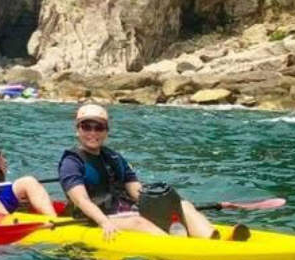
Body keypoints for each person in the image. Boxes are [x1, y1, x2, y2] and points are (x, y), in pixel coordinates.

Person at [58, 103, 241, 241]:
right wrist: (104, 222)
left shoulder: (114, 157)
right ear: (78, 130)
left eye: (98, 127)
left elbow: (137, 191)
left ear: (106, 131)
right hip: (93, 218)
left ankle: (213, 238)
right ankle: (178, 248)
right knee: (138, 222)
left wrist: (164, 204)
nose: (92, 132)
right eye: (86, 127)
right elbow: (81, 200)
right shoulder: (71, 162)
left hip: (123, 210)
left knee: (182, 205)